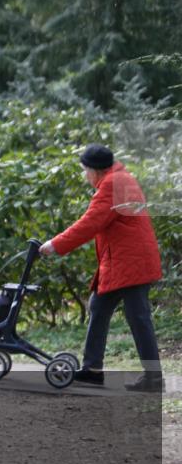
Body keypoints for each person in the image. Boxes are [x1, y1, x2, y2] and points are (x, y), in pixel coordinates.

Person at [40, 144, 163, 392]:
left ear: (95, 170)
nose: (85, 176)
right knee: (99, 307)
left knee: (138, 318)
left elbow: (91, 223)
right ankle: (92, 370)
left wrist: (54, 245)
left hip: (131, 263)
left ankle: (153, 377)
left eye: (85, 170)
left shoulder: (112, 184)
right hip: (122, 261)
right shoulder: (121, 178)